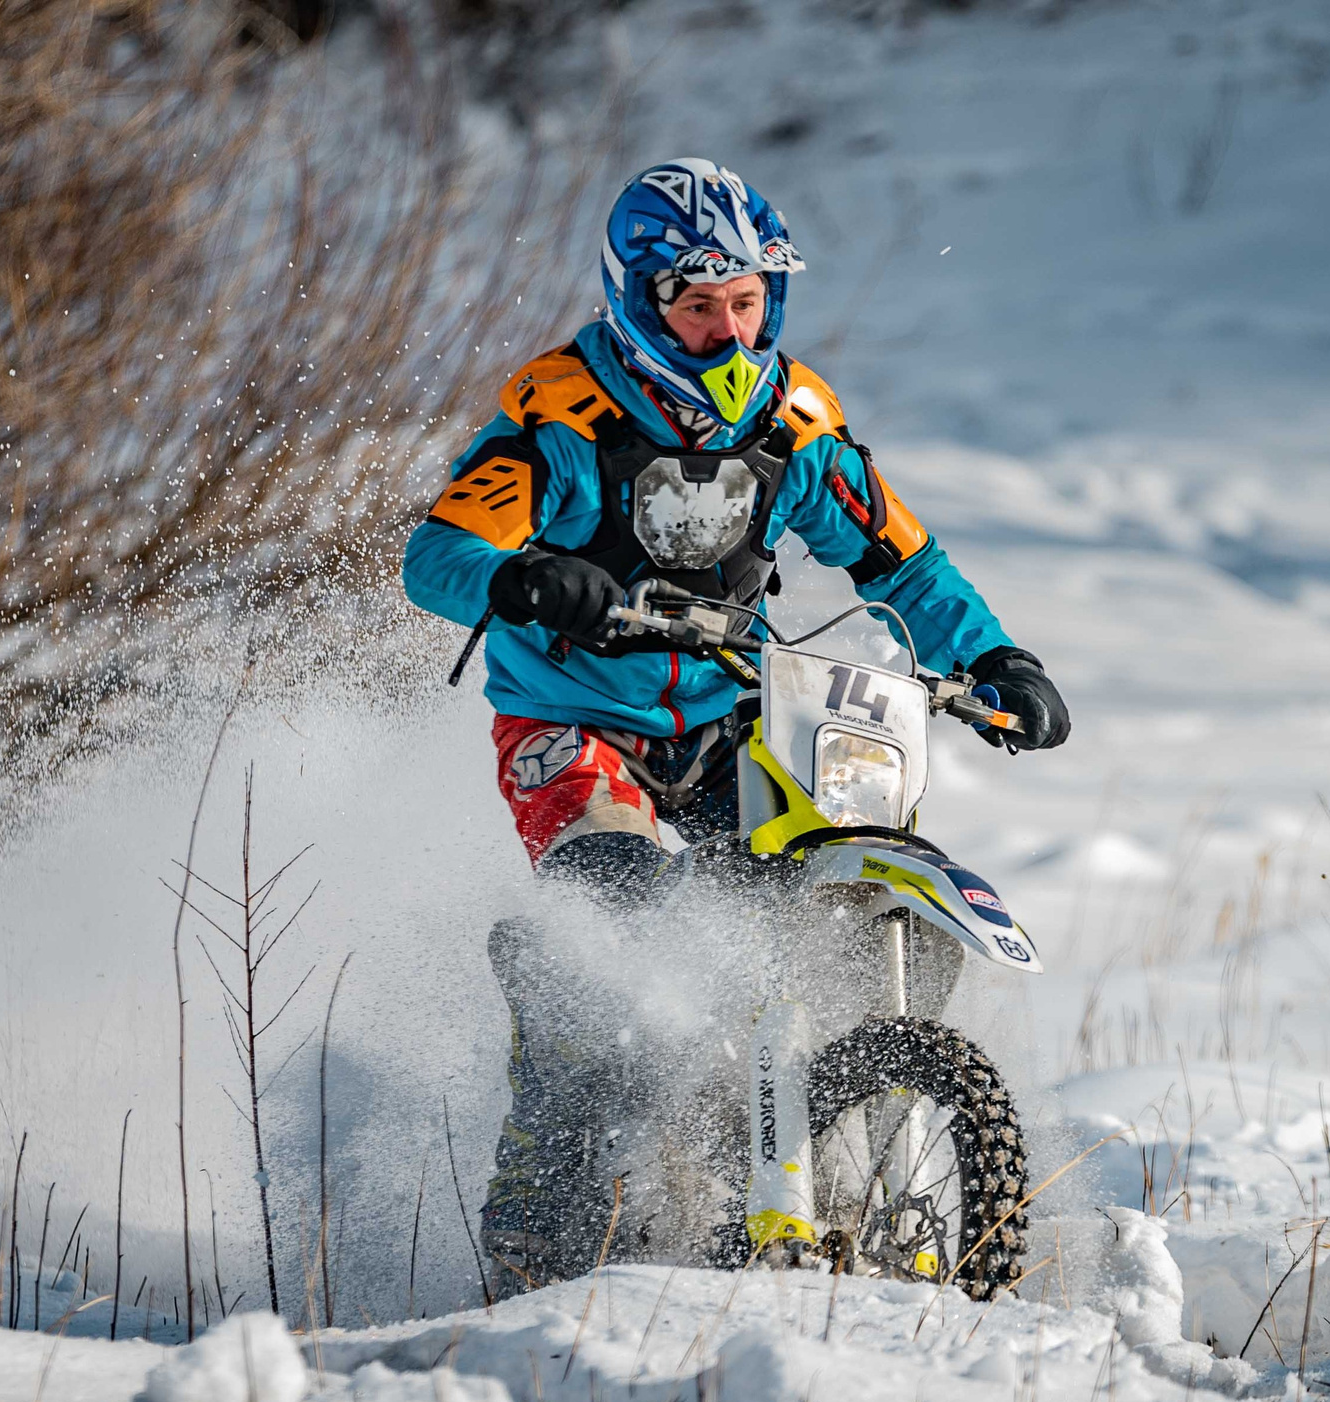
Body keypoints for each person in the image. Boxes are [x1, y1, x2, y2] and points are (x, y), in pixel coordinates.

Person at [403, 158, 1069, 1292]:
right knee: (616, 925)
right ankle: (538, 1196)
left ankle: (778, 1127)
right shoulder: (557, 411)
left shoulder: (793, 418)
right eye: (698, 303)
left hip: (735, 708)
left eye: (747, 301)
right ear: (638, 295)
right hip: (575, 720)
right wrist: (521, 582)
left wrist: (994, 656)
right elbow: (440, 555)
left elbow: (898, 557)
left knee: (828, 895)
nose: (725, 328)